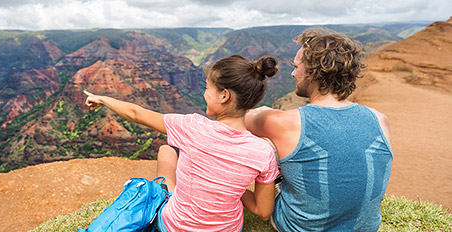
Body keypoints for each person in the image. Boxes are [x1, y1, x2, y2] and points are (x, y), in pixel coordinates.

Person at [84, 54, 280, 231]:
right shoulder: (262, 152)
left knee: (166, 150)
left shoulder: (191, 126)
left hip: (174, 226)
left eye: (207, 88)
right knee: (169, 151)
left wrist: (102, 99)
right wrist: (231, 188)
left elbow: (136, 114)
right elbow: (262, 211)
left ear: (224, 95)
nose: (204, 94)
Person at [244, 28, 393, 231]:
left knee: (265, 144)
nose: (293, 73)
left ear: (313, 72)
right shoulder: (380, 119)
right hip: (365, 227)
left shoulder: (284, 123)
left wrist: (265, 111)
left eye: (297, 67)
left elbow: (239, 119)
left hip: (298, 227)